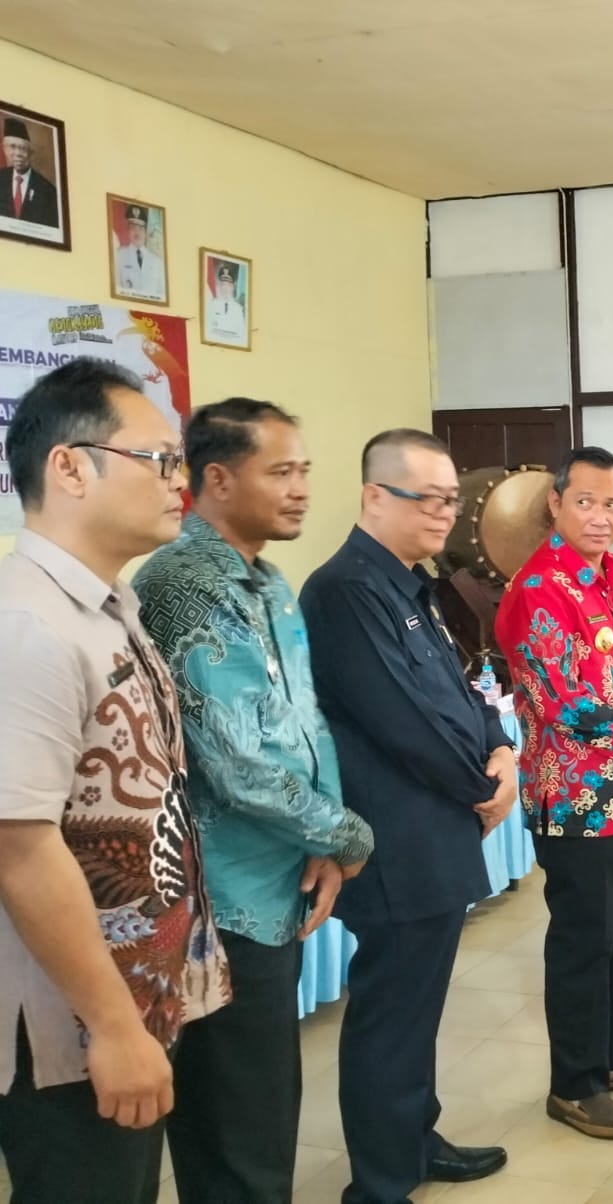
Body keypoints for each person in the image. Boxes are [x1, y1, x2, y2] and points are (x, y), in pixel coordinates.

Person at [133, 399, 375, 1203]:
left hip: (278, 879)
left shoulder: (266, 581)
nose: (301, 488)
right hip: (219, 898)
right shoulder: (183, 582)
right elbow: (236, 760)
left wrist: (324, 839)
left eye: (303, 470)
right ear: (217, 478)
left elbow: (306, 724)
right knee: (236, 1125)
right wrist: (346, 832)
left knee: (266, 1106)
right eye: (281, 471)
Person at [0, 359, 229, 1203]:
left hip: (132, 1000)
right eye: (158, 460)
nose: (180, 483)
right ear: (69, 467)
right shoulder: (28, 625)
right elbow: (20, 847)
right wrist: (113, 1027)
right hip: (70, 1025)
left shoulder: (106, 604)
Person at [300, 429, 515, 1203]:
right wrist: (480, 785)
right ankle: (381, 1182)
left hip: (434, 833)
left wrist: (500, 747)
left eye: (451, 500)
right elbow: (402, 719)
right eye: (427, 498)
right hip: (397, 839)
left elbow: (460, 689)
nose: (444, 514)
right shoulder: (345, 590)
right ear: (373, 496)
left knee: (419, 1009)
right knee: (391, 1015)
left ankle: (415, 1142)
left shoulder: (411, 584)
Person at [496, 446, 613, 1142]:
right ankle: (575, 1086)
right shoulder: (536, 590)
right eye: (586, 502)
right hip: (578, 802)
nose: (601, 516)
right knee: (585, 943)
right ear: (556, 503)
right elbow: (563, 701)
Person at [1, 116, 60, 227]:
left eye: (23, 148)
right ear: (4, 149)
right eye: (12, 147)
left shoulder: (48, 191)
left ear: (30, 153)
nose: (18, 153)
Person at [114, 203, 166, 300]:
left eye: (141, 228)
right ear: (128, 231)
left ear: (146, 232)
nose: (137, 232)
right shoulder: (119, 256)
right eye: (133, 227)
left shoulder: (157, 262)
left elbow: (162, 296)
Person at [207, 261, 248, 343]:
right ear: (219, 286)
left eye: (228, 285)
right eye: (223, 285)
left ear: (233, 286)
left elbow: (242, 334)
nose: (225, 288)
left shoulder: (238, 309)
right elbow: (209, 330)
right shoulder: (211, 306)